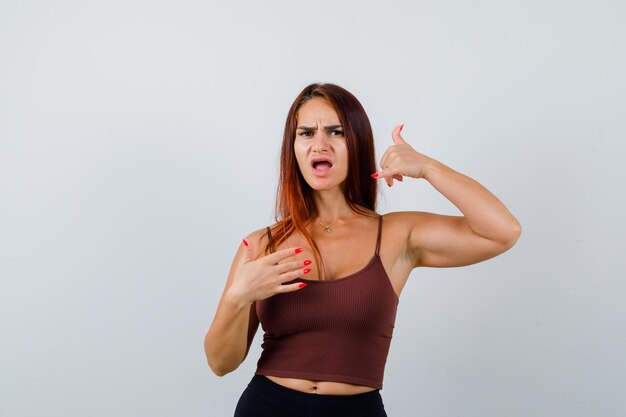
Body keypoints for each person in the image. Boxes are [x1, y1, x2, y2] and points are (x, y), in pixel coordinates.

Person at [204, 83, 522, 417]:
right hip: (266, 406)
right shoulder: (259, 245)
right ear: (293, 147)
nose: (319, 144)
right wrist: (238, 296)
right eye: (307, 133)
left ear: (356, 142)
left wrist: (428, 168)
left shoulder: (397, 235)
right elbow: (220, 363)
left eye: (335, 131)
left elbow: (502, 231)